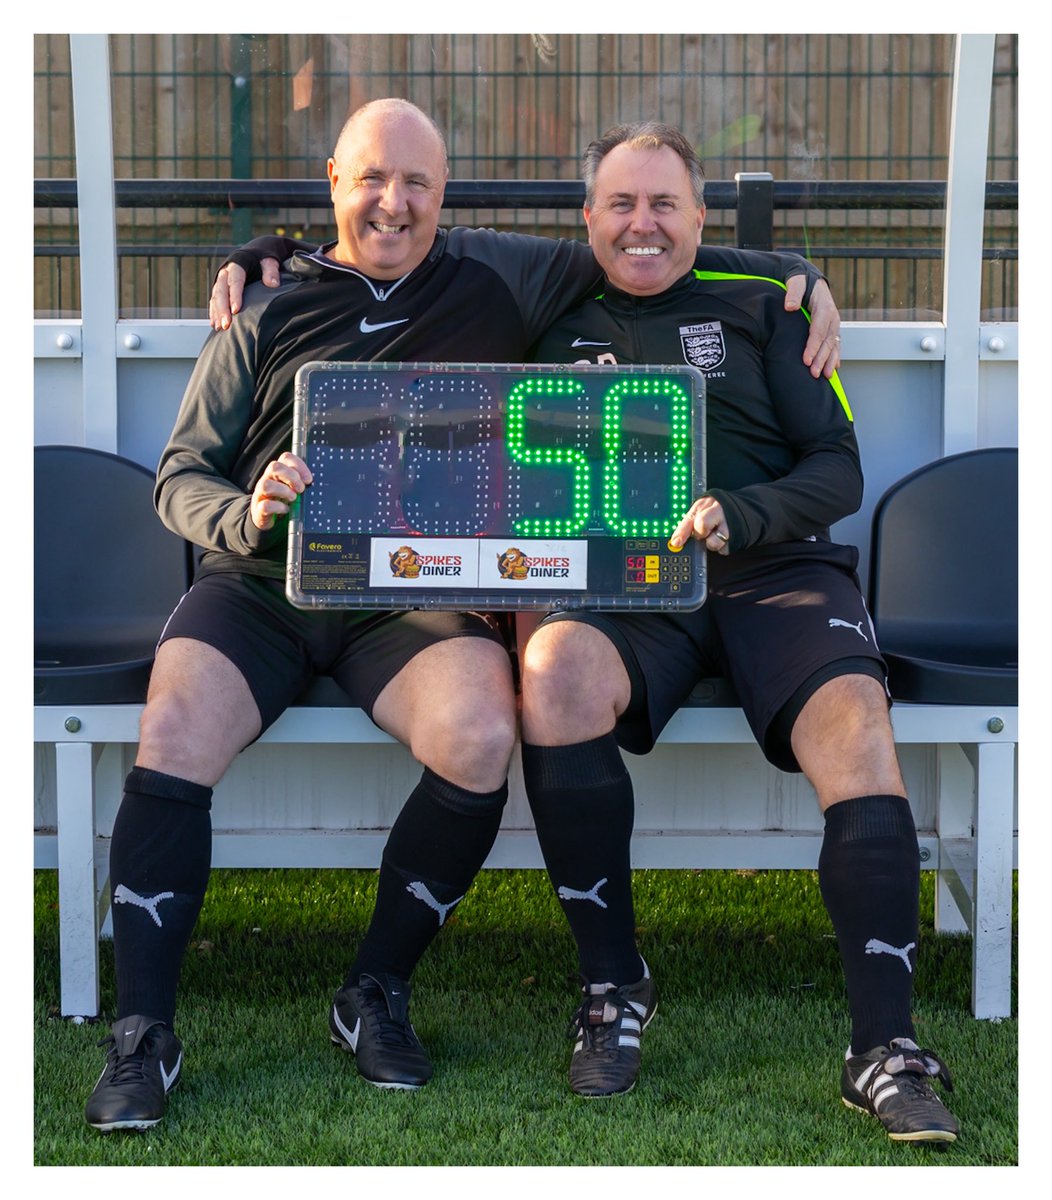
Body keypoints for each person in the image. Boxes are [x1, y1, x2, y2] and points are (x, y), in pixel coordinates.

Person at [84, 97, 841, 1133]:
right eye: (370, 180)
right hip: (259, 583)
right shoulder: (264, 305)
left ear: (445, 197)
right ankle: (142, 1036)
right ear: (332, 187)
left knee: (482, 730)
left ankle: (373, 989)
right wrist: (244, 510)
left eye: (417, 184)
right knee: (172, 727)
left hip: (406, 595)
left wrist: (797, 276)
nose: (392, 204)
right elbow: (180, 475)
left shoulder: (502, 277)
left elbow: (650, 244)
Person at [513, 122, 958, 1144]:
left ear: (700, 219)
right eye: (619, 204)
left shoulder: (769, 306)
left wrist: (740, 512)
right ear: (585, 220)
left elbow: (836, 470)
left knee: (853, 717)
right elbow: (400, 251)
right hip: (628, 583)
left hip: (772, 568)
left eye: (663, 204)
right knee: (554, 669)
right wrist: (257, 255)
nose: (640, 225)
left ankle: (883, 1047)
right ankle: (611, 989)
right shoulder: (538, 304)